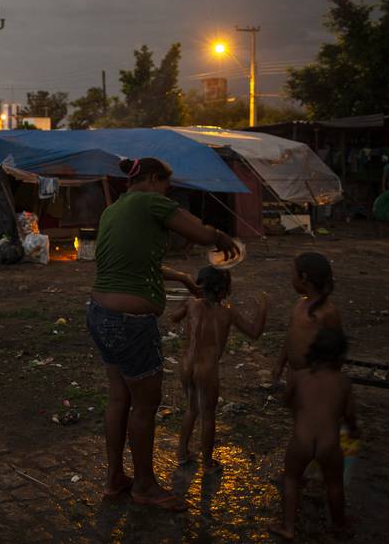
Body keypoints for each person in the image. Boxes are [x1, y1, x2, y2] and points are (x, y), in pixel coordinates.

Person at [87, 156, 240, 511]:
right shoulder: (151, 199)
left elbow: (137, 262)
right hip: (129, 322)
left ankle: (114, 479)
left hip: (99, 314)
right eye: (167, 185)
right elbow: (200, 233)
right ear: (154, 180)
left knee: (118, 399)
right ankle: (143, 485)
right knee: (144, 404)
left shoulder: (114, 210)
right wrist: (221, 237)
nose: (168, 192)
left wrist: (183, 278)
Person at [169, 266, 269, 474]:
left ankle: (182, 453)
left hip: (186, 365)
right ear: (222, 290)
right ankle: (206, 464)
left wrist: (186, 300)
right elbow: (255, 332)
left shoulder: (191, 304)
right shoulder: (227, 312)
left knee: (191, 408)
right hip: (207, 369)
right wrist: (263, 308)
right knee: (207, 415)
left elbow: (173, 317)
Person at [270, 327, 359, 541]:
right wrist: (353, 430)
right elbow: (349, 414)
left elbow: (286, 401)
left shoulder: (299, 377)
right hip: (329, 443)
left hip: (301, 439)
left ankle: (289, 528)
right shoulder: (343, 382)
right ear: (340, 357)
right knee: (334, 484)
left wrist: (298, 410)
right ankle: (338, 525)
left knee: (291, 479)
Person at [273, 252, 340, 382]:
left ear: (303, 277)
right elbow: (290, 337)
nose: (291, 278)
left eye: (292, 274)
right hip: (294, 375)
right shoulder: (299, 304)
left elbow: (337, 352)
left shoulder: (328, 312)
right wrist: (280, 364)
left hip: (315, 380)